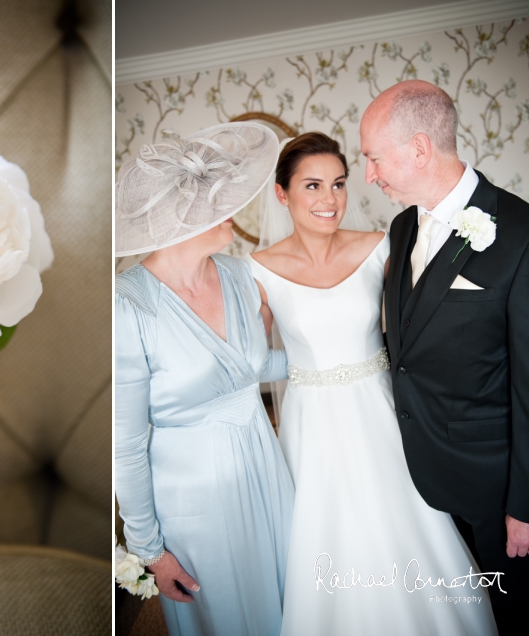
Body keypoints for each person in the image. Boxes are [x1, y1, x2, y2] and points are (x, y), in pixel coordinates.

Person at [246, 131, 497, 635]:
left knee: (406, 524)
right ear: (282, 194)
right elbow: (250, 360)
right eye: (312, 186)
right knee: (327, 533)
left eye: (338, 184)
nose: (330, 200)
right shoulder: (258, 271)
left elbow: (425, 327)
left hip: (381, 411)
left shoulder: (381, 247)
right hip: (311, 423)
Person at [362, 79, 529, 635]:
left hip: (495, 494)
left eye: (372, 158)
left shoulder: (524, 236)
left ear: (418, 148)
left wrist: (528, 505)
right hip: (417, 481)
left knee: (512, 617)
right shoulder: (402, 225)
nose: (369, 174)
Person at [115, 122, 295, 635]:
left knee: (288, 606)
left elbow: (253, 370)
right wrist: (150, 550)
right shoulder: (128, 306)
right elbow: (126, 447)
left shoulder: (239, 275)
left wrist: (338, 363)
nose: (232, 213)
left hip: (265, 472)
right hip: (196, 504)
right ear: (180, 217)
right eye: (219, 203)